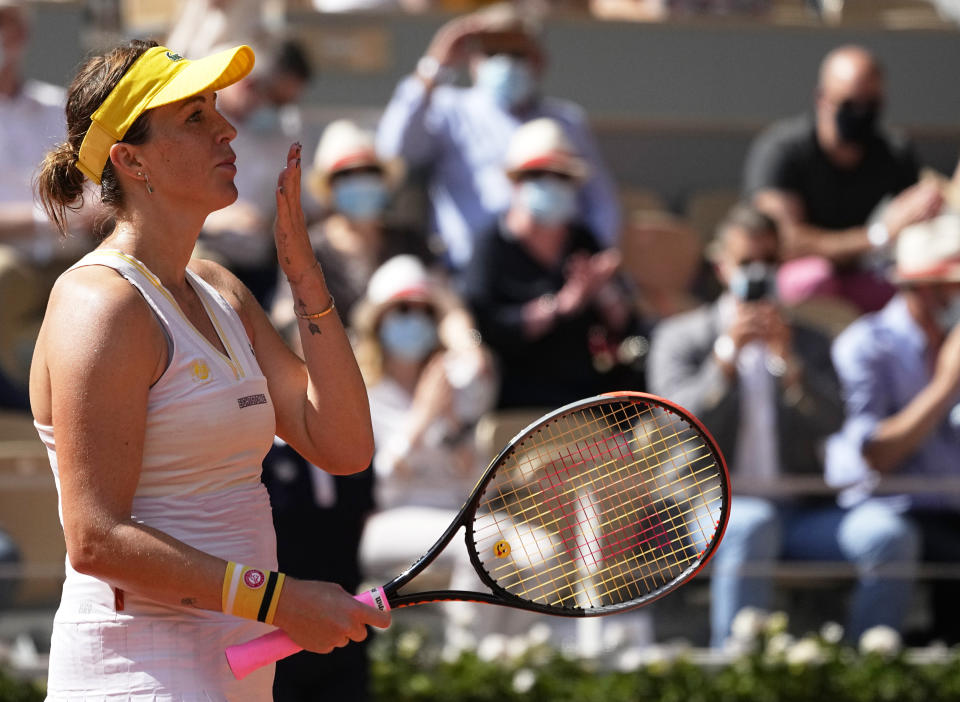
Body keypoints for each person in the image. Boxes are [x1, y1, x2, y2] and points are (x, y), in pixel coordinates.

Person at [29, 40, 390, 698]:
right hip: (136, 675)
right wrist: (278, 602)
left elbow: (343, 445)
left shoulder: (222, 290)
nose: (226, 127)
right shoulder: (100, 305)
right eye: (194, 117)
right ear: (131, 159)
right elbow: (96, 541)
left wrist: (308, 279)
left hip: (235, 667)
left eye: (216, 108)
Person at [647, 203, 902, 648]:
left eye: (769, 263)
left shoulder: (809, 341)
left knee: (889, 536)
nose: (758, 273)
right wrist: (724, 362)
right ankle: (741, 673)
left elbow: (836, 420)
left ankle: (872, 671)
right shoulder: (681, 337)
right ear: (722, 267)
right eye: (747, 263)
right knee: (751, 524)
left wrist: (792, 369)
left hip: (801, 512)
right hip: (704, 511)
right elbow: (675, 425)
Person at [376, 2, 620, 270]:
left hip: (552, 275)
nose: (505, 62)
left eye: (516, 53)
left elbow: (600, 201)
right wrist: (434, 65)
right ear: (473, 61)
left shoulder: (566, 120)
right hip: (469, 276)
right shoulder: (449, 108)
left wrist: (596, 262)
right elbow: (391, 150)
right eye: (492, 52)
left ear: (538, 61)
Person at [826, 211, 960, 645]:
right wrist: (945, 385)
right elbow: (877, 455)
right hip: (890, 506)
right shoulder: (864, 345)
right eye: (953, 286)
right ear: (921, 287)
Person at [459, 117, 645, 409]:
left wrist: (603, 293)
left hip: (585, 400)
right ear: (517, 182)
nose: (551, 185)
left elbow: (627, 324)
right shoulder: (490, 246)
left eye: (561, 177)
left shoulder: (583, 240)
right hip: (515, 402)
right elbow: (483, 328)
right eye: (539, 175)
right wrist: (559, 307)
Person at [743, 45, 942, 313]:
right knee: (814, 277)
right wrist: (878, 236)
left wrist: (930, 205)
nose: (860, 113)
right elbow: (786, 243)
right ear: (822, 98)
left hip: (862, 275)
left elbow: (914, 225)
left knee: (914, 288)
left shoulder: (894, 152)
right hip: (793, 284)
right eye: (849, 104)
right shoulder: (782, 150)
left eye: (869, 104)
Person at [271, 119, 439, 333]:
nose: (361, 182)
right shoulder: (307, 247)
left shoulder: (410, 241)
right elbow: (286, 311)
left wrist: (469, 347)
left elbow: (446, 299)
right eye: (347, 175)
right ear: (330, 187)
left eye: (370, 171)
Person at [198, 37, 313, 305]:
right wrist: (218, 219)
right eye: (276, 101)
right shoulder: (191, 126)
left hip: (261, 266)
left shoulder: (284, 134)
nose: (277, 110)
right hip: (202, 256)